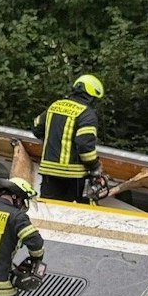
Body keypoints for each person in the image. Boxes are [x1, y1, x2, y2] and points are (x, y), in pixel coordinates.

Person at [35, 74, 104, 202]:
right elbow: (84, 146)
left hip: (49, 171)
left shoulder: (54, 106)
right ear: (91, 96)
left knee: (48, 211)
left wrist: (52, 141)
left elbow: (37, 127)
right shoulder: (87, 114)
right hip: (73, 176)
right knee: (71, 212)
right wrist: (95, 166)